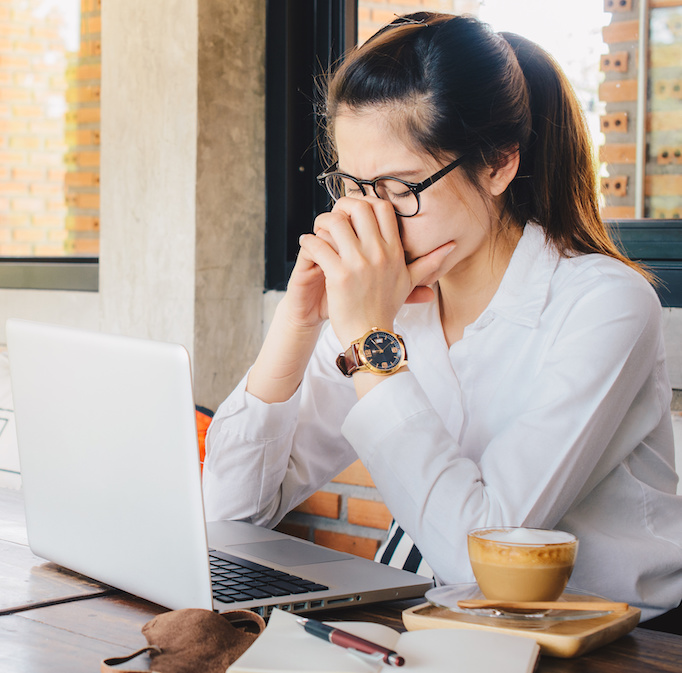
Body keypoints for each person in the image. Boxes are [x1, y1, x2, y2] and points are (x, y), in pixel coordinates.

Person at [201, 11, 682, 632]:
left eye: (402, 189)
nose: (373, 222)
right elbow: (229, 513)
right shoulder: (389, 298)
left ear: (498, 165)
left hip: (622, 642)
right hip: (445, 630)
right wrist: (294, 327)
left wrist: (371, 340)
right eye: (354, 186)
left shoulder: (604, 305)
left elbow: (476, 557)